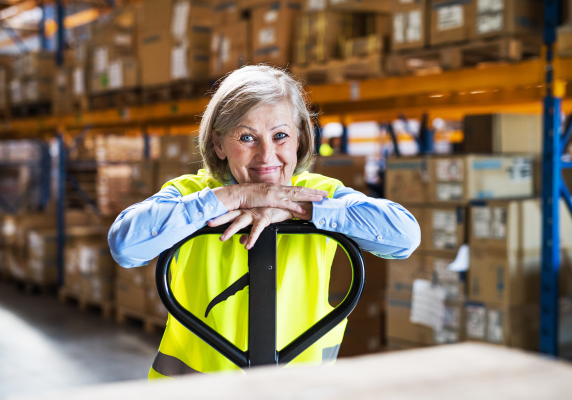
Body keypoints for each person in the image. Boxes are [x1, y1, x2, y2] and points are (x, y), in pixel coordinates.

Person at [108, 65, 421, 379]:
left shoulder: (319, 195)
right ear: (218, 144)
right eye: (247, 137)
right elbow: (125, 245)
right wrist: (235, 197)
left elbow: (404, 236)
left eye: (280, 136)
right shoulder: (190, 195)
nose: (266, 156)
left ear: (299, 139)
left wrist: (300, 207)